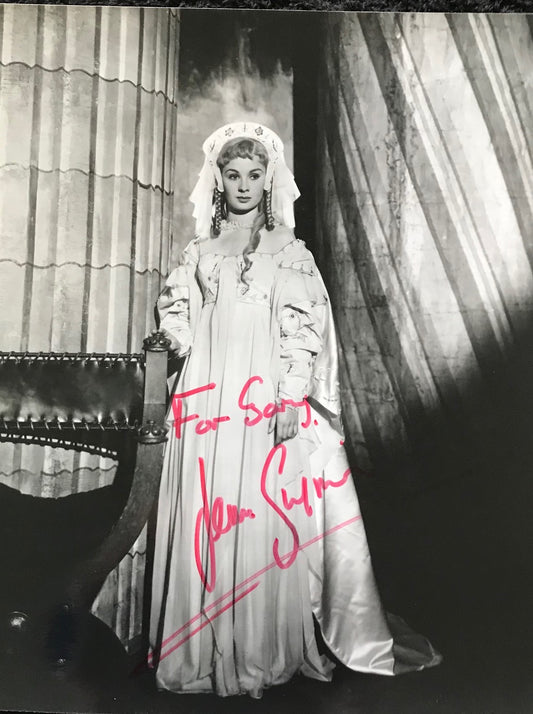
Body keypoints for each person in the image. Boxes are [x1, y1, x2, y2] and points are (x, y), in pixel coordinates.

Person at [148, 122, 441, 698]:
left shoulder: (291, 253)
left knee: (256, 514)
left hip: (261, 398)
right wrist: (174, 338)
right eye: (233, 175)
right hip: (207, 394)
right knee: (207, 509)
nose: (243, 185)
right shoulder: (199, 251)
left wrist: (289, 397)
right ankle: (201, 653)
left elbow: (302, 330)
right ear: (218, 180)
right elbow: (177, 311)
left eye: (255, 175)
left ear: (270, 181)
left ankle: (258, 649)